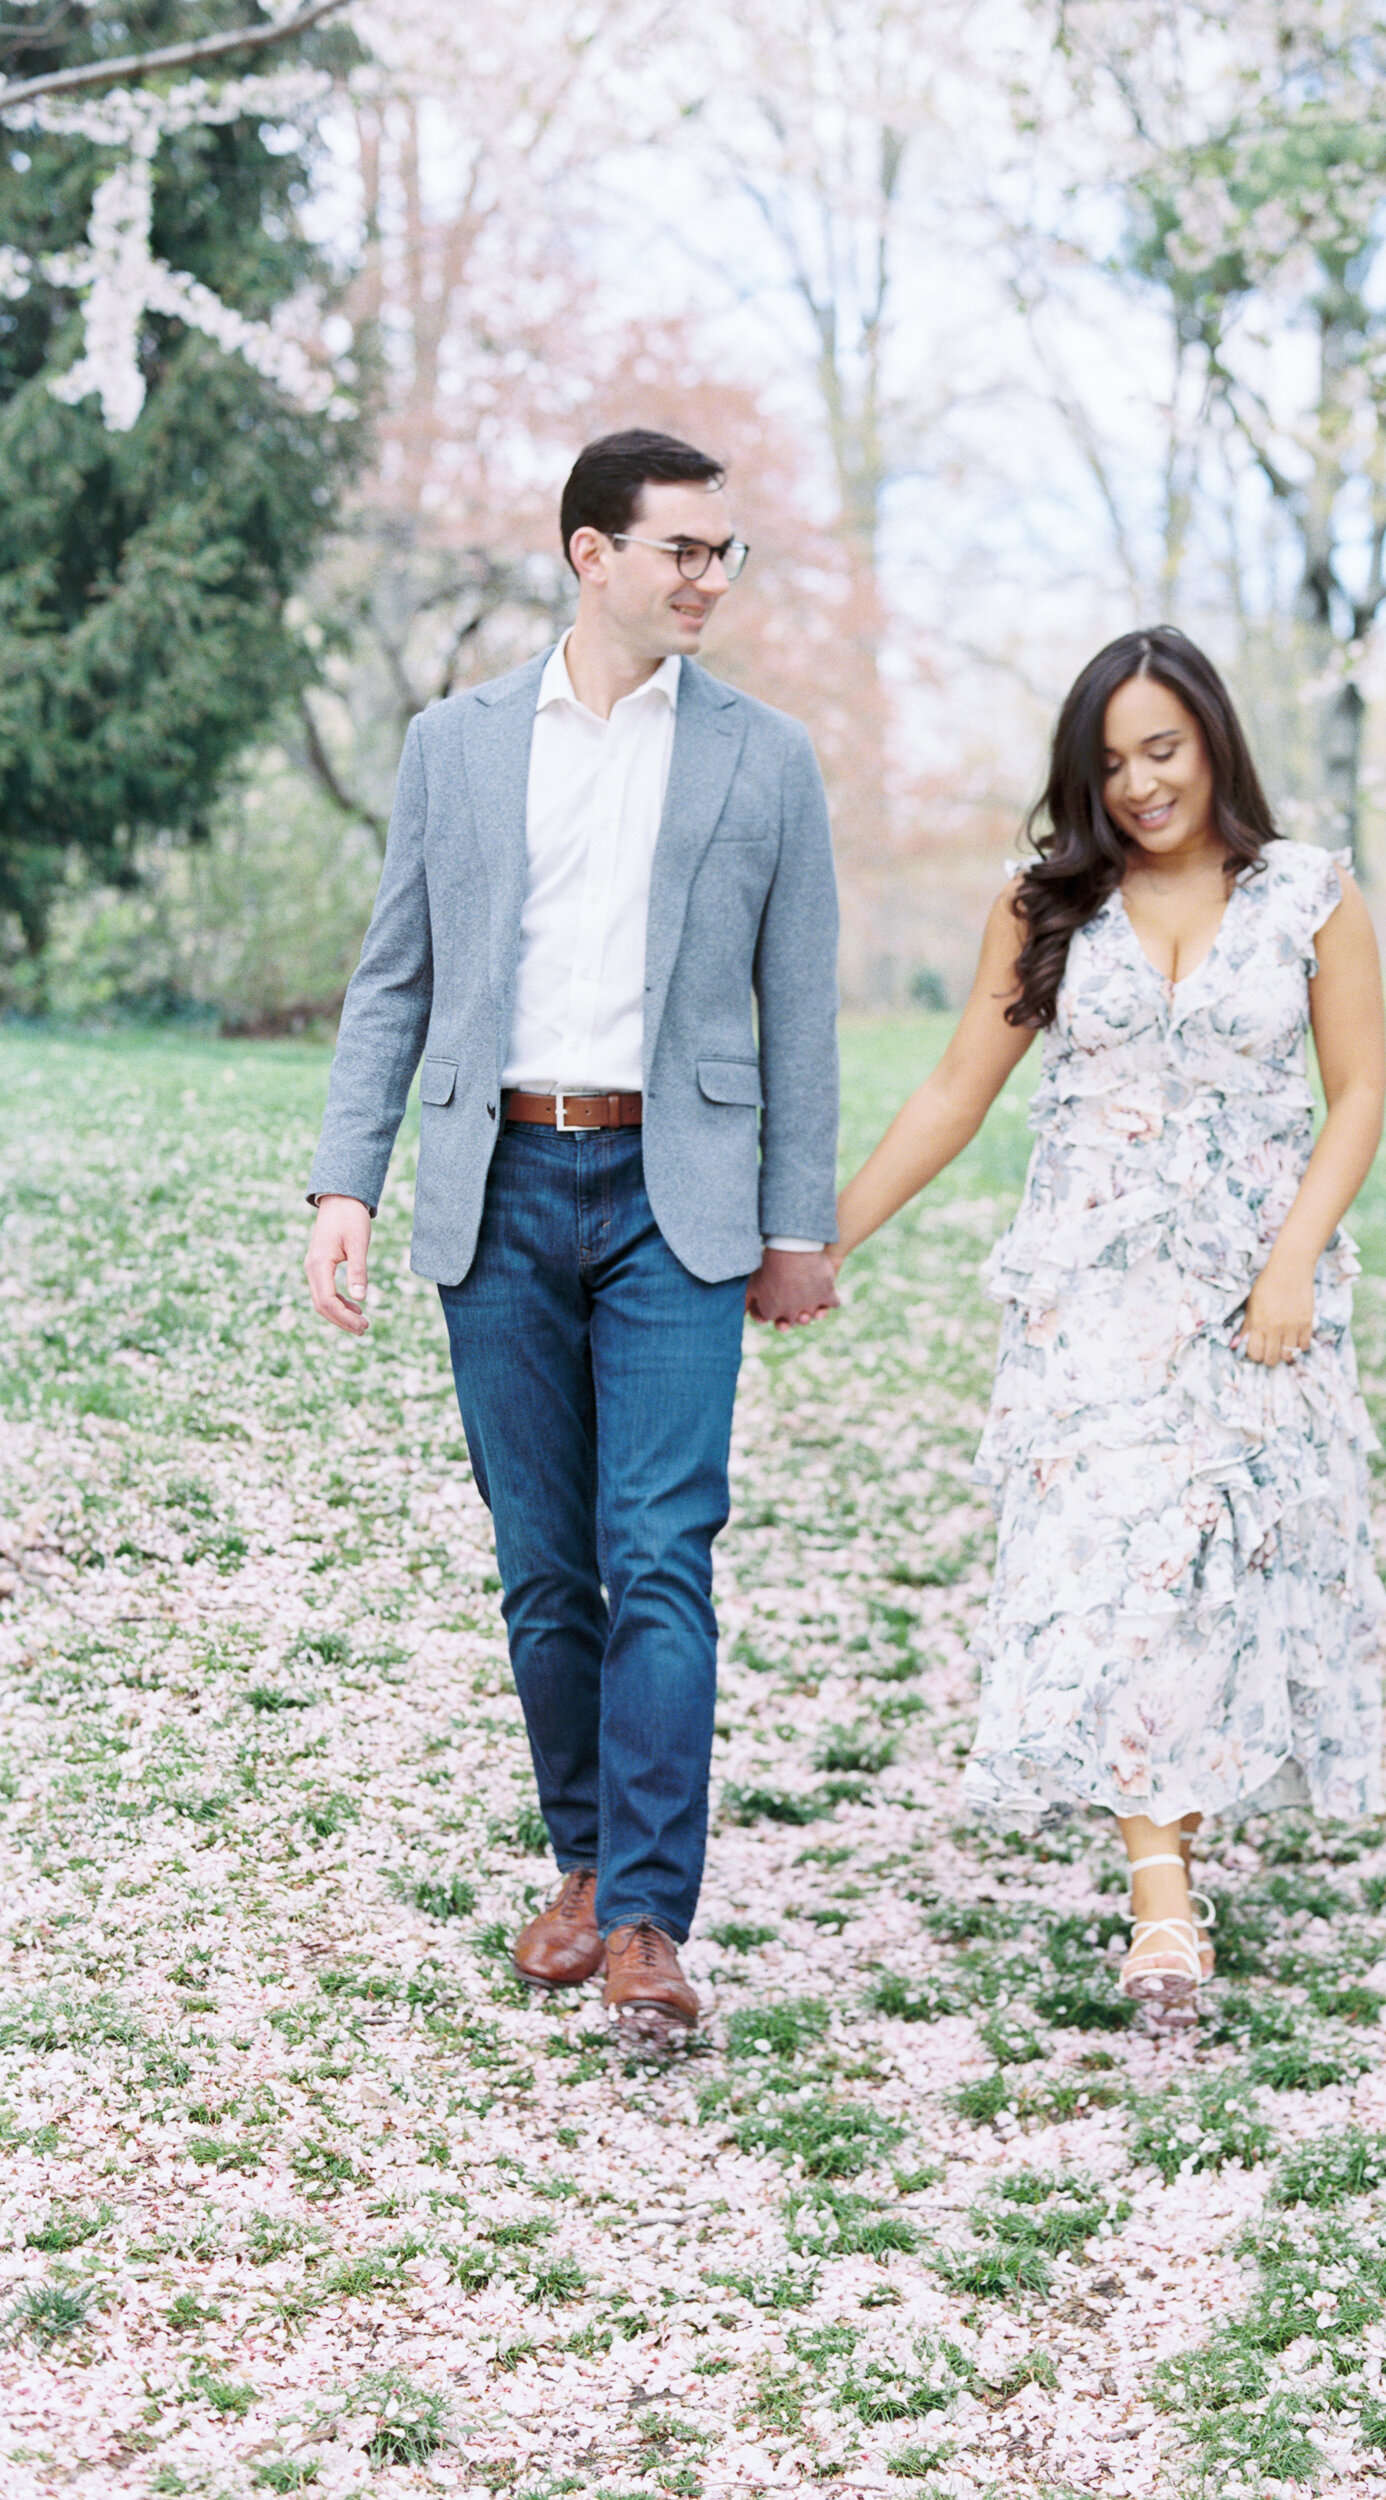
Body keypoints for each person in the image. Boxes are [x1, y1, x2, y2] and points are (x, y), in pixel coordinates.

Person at [303, 428, 841, 2053]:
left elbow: (798, 1010)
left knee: (662, 1554)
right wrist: (348, 1182)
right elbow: (395, 976)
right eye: (682, 548)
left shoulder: (766, 758)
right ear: (588, 554)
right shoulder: (454, 747)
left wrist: (795, 1225)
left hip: (678, 1201)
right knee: (547, 1571)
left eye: (722, 551)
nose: (708, 578)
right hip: (500, 1188)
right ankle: (589, 1862)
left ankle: (650, 1927)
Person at [831, 626, 1386, 2020]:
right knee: (1118, 1571)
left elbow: (1361, 1095)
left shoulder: (1312, 895)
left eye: (1163, 750)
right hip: (1092, 1302)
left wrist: (1294, 1263)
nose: (1140, 784)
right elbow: (960, 1087)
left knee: (1215, 1582)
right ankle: (1159, 1904)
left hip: (1259, 1298)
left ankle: (1171, 1865)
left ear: (1212, 745)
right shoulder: (1046, 909)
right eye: (1112, 761)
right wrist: (824, 1242)